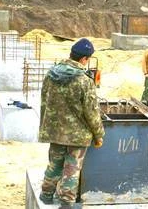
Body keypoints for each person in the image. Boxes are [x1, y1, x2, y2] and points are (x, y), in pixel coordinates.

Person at [38, 38, 105, 208]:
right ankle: (66, 202)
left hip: (54, 130)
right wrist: (99, 135)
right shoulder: (84, 81)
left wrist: (44, 127)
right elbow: (92, 112)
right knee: (72, 168)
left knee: (54, 164)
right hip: (77, 135)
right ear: (84, 59)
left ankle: (46, 195)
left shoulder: (51, 74)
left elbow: (44, 101)